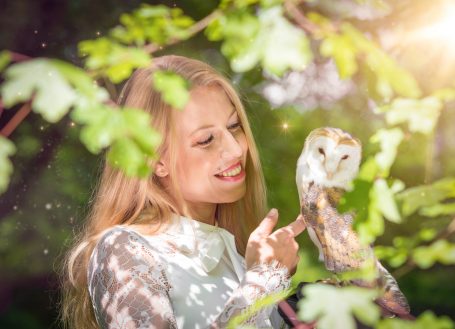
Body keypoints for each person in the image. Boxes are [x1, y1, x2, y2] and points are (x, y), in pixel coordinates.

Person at [60, 55, 306, 329]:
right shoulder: (125, 250)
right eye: (206, 140)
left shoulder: (239, 258)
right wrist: (263, 281)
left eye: (234, 127)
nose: (237, 150)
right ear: (156, 160)